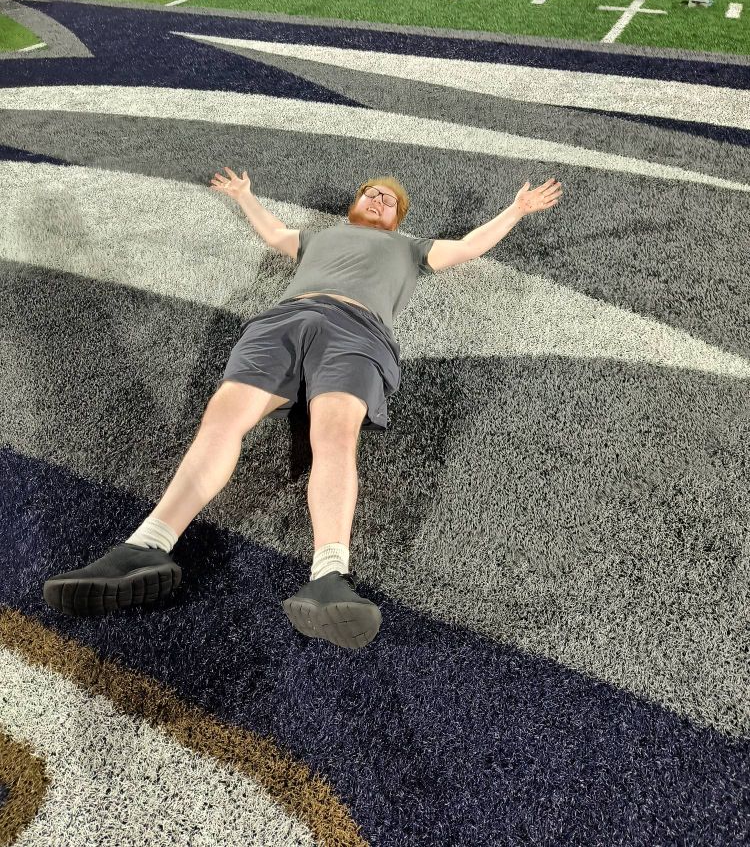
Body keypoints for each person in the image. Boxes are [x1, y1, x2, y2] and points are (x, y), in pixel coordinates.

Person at [42, 171, 563, 650]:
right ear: (355, 205)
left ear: (397, 218)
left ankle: (329, 574)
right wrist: (245, 196)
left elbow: (470, 246)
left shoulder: (411, 249)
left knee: (334, 437)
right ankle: (146, 544)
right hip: (283, 320)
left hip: (357, 332)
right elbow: (273, 235)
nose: (379, 198)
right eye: (371, 193)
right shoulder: (317, 238)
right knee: (222, 418)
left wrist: (514, 209)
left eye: (389, 199)